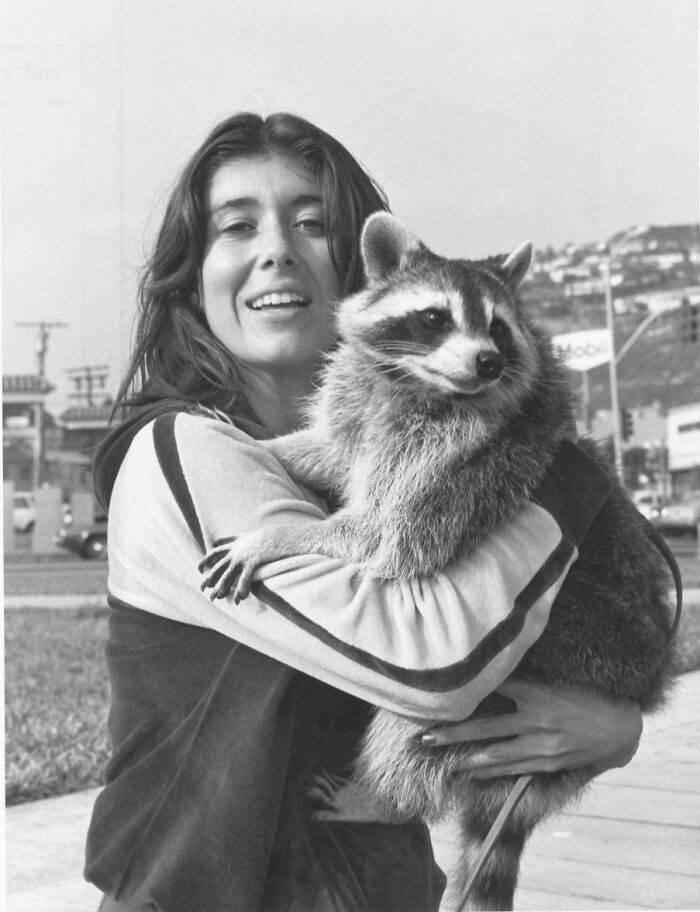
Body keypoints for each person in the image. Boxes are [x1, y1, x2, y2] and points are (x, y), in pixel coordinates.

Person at [85, 112, 643, 912]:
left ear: (359, 266)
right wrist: (562, 466)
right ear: (192, 274)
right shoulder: (187, 451)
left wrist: (604, 725)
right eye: (236, 226)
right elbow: (433, 659)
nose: (276, 247)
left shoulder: (386, 431)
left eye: (311, 223)